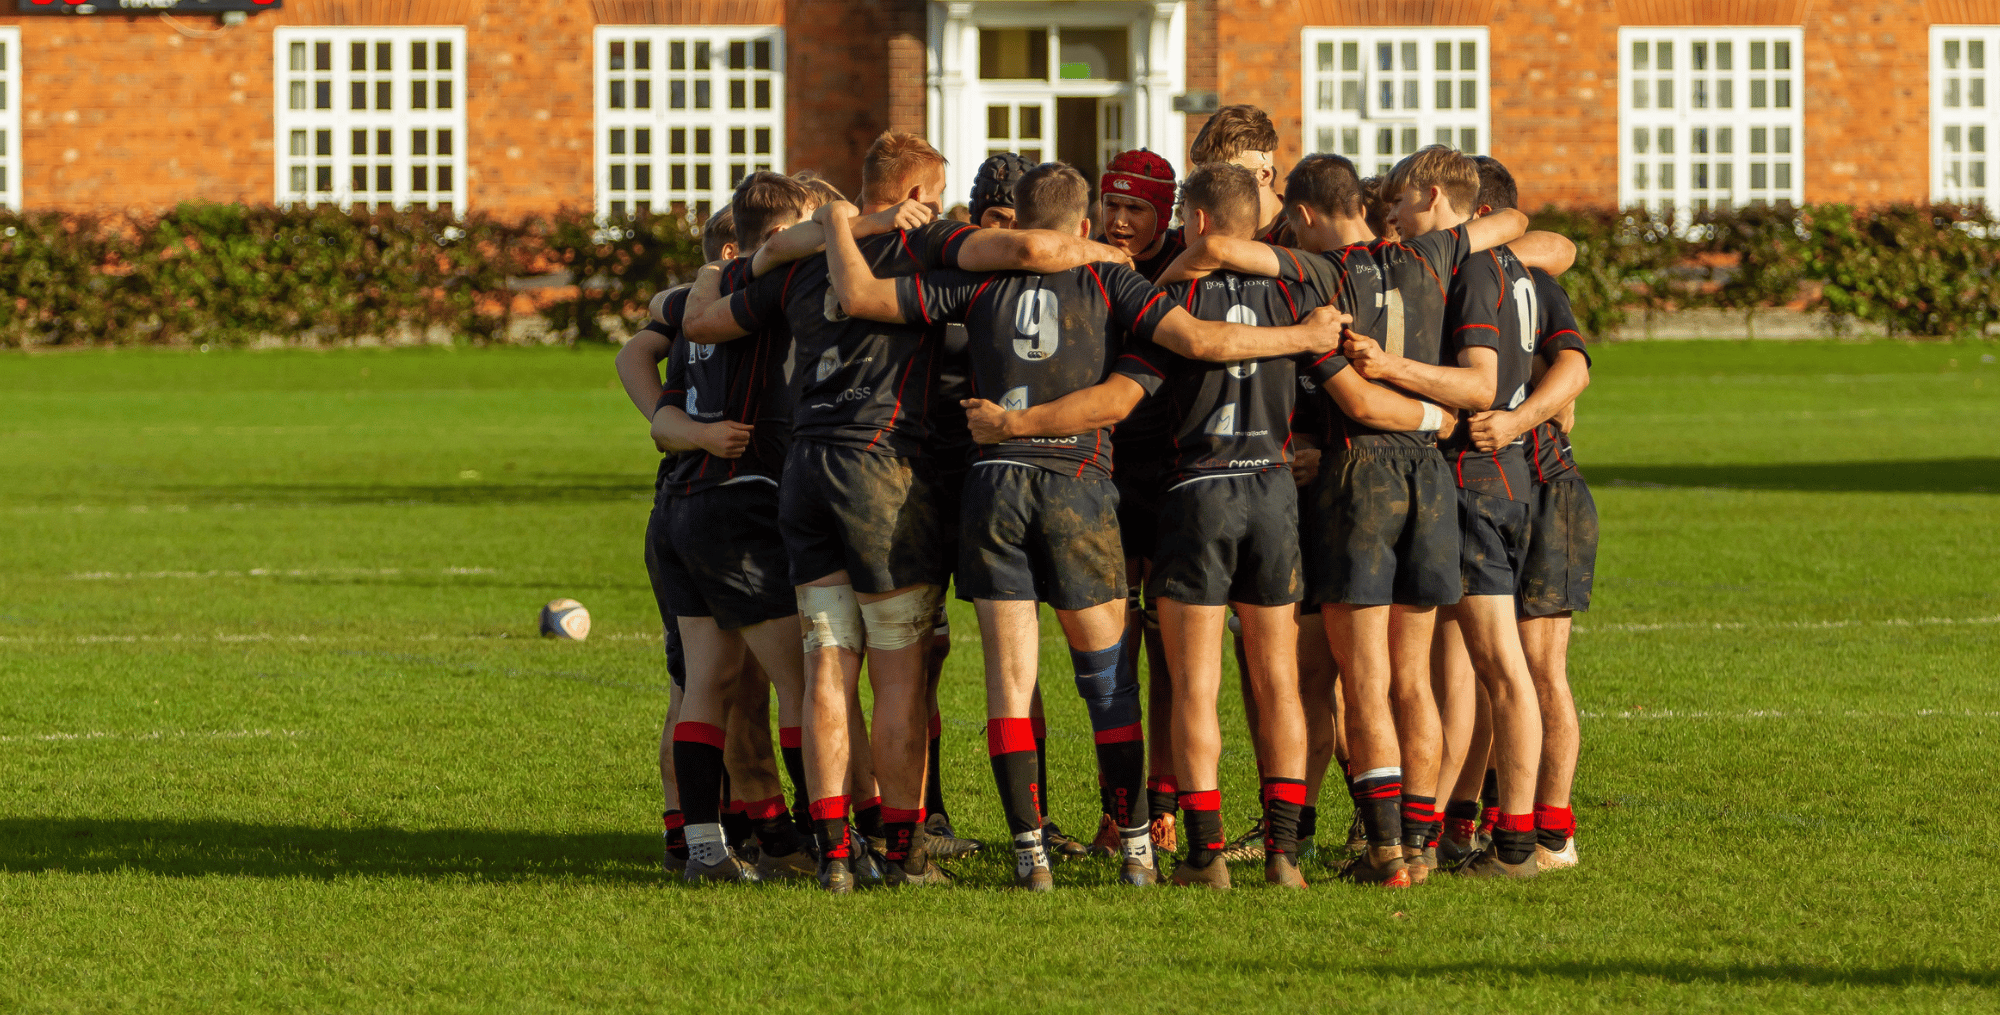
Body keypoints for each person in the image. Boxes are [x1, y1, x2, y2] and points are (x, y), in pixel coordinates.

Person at [682, 133, 1127, 892]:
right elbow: (1031, 252)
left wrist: (751, 256)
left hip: (805, 468)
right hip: (883, 472)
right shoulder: (935, 241)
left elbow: (705, 322)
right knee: (898, 676)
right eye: (937, 190)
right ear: (917, 190)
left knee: (828, 663)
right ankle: (900, 852)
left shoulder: (801, 261)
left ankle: (830, 852)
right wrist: (1105, 257)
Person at [1089, 147, 1185, 858]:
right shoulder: (1079, 257)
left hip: (1176, 471)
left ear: (1166, 213)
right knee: (1112, 650)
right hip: (1104, 474)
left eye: (1136, 208)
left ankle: (1168, 801)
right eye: (1111, 204)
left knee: (1171, 651)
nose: (1119, 220)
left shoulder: (1189, 261)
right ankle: (1119, 804)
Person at [1188, 106, 1290, 244]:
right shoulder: (1203, 230)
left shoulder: (1298, 237)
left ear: (1264, 175)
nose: (1211, 187)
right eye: (1204, 177)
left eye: (1225, 177)